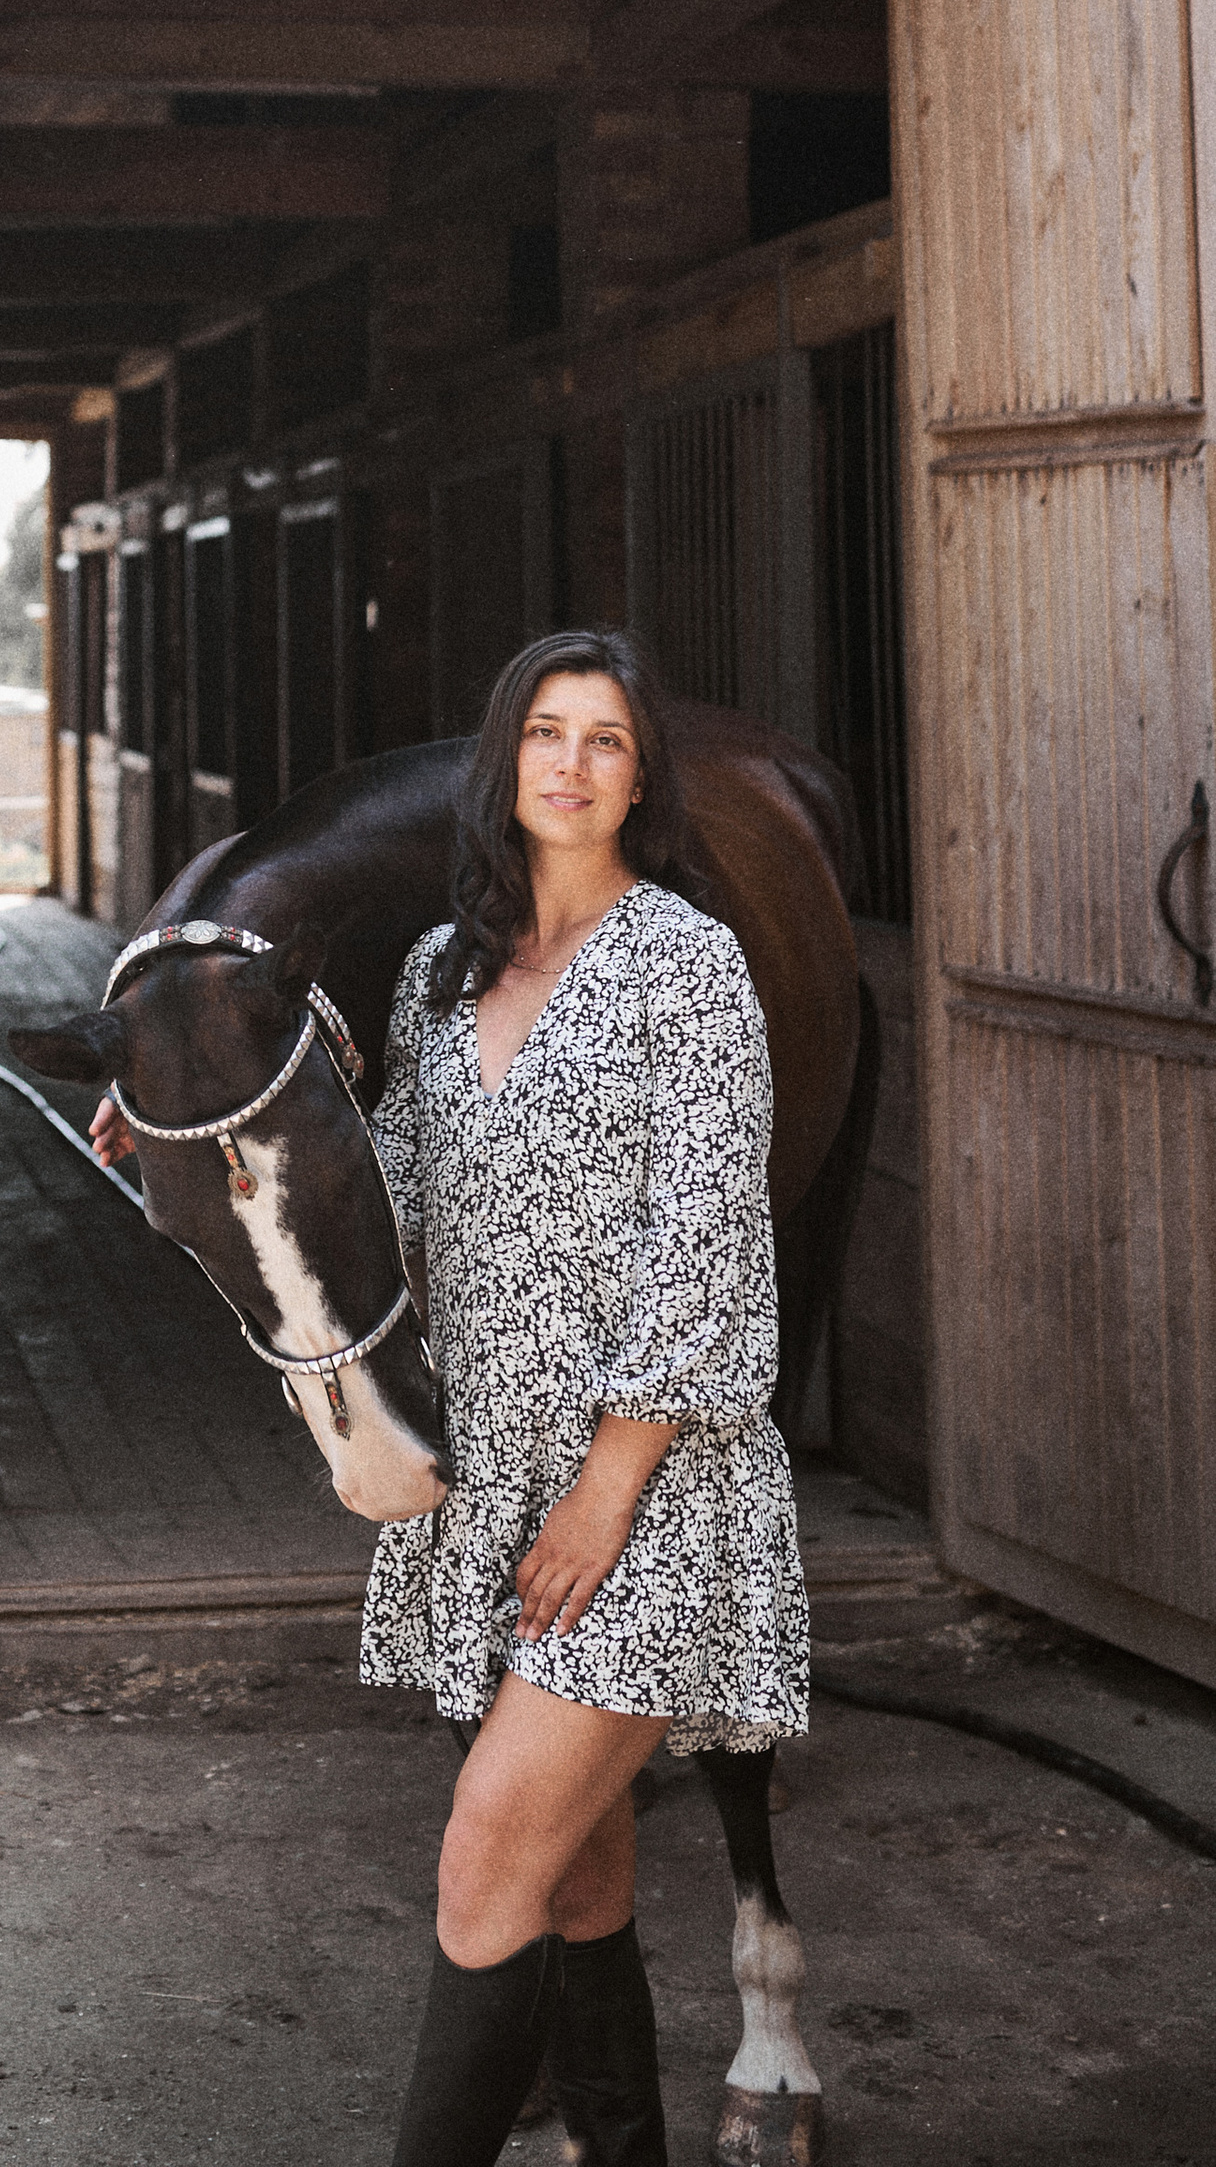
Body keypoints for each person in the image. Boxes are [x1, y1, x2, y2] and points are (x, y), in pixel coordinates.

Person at [359, 628, 807, 2167]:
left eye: (605, 740)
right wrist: (190, 1119)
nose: (570, 763)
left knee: (489, 1853)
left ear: (640, 777)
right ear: (506, 764)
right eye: (545, 733)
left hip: (649, 1495)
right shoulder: (440, 973)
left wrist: (606, 1495)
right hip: (490, 1489)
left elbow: (708, 1241)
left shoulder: (689, 963)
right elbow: (381, 1201)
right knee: (578, 1880)